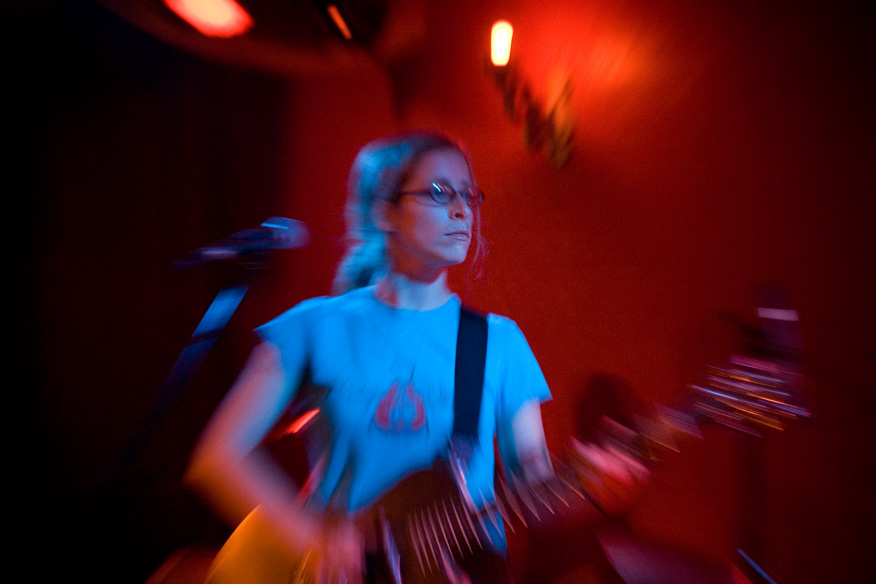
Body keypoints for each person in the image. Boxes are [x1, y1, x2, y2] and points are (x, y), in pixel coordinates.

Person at [184, 130, 648, 584]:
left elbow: (535, 490)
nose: (463, 210)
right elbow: (218, 456)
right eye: (440, 192)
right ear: (386, 211)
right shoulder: (314, 327)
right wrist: (309, 536)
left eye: (470, 195)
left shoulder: (498, 342)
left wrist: (595, 494)